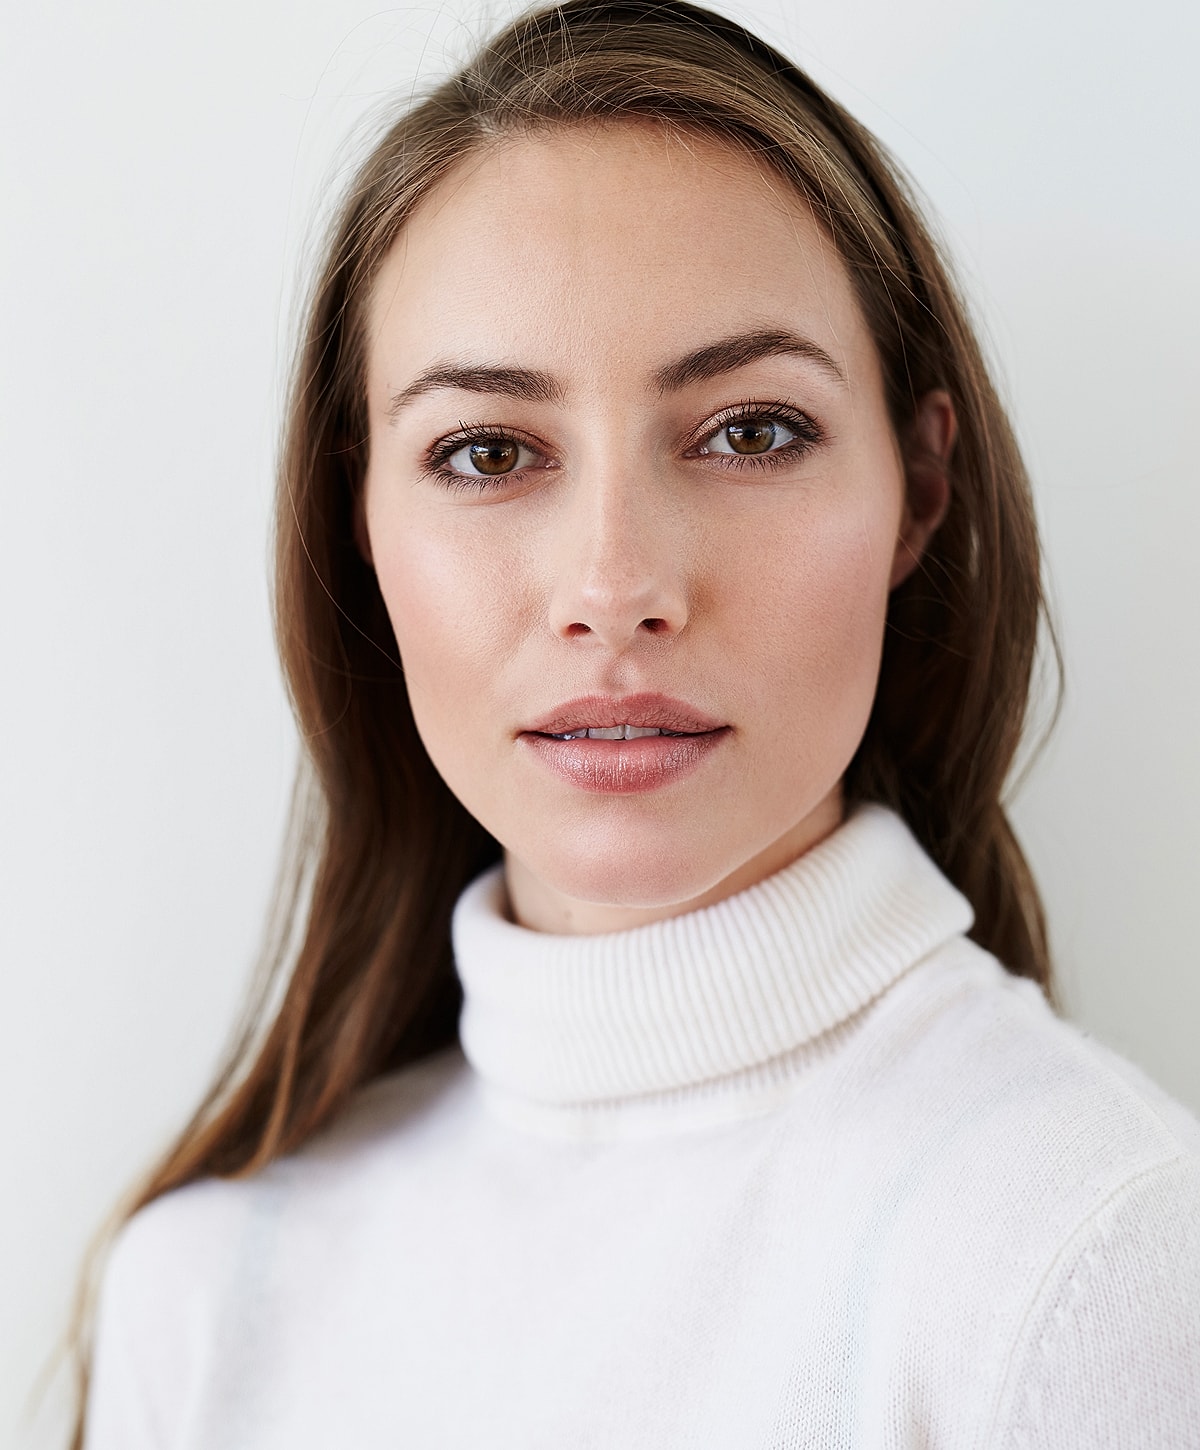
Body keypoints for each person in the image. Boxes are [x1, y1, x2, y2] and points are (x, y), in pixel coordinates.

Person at [74, 0, 1200, 1445]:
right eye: (487, 452)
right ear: (357, 518)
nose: (615, 589)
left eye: (751, 431)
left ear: (920, 489)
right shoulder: (203, 1291)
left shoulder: (1095, 1265)